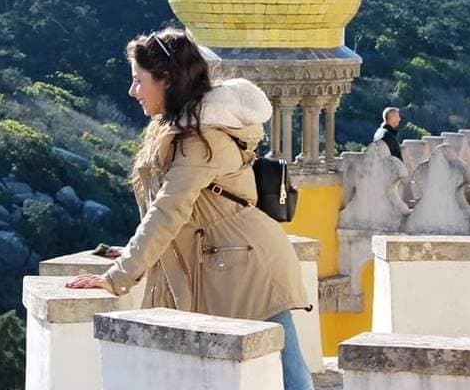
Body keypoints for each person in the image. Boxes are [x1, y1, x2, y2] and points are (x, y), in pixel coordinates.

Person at [64, 27, 313, 390]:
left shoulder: (201, 138)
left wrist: (119, 275)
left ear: (166, 79)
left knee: (288, 378)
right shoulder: (183, 127)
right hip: (227, 259)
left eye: (138, 80)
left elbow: (169, 208)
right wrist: (139, 252)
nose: (132, 91)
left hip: (247, 266)